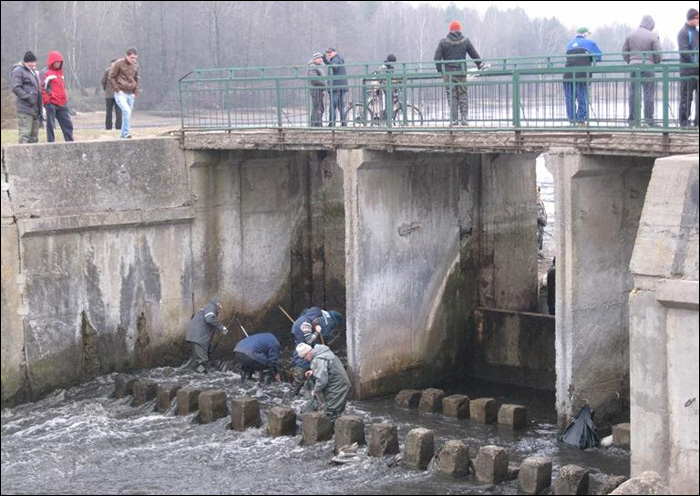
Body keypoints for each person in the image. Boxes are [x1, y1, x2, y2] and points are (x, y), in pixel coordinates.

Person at [433, 20, 485, 126]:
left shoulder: (443, 42)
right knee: (463, 95)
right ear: (459, 29)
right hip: (461, 73)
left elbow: (436, 58)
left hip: (448, 74)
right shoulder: (465, 41)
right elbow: (474, 54)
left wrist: (440, 70)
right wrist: (480, 65)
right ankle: (464, 119)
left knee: (452, 96)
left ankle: (454, 120)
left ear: (450, 30)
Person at [290, 307, 344, 395]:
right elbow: (324, 336)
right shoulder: (329, 322)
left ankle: (297, 390)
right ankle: (295, 390)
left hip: (300, 332)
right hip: (306, 338)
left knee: (301, 354)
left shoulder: (320, 312)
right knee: (304, 361)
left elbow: (305, 311)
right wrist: (318, 334)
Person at [622, 16, 663, 126]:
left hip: (633, 67)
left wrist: (631, 61)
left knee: (632, 93)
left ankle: (632, 120)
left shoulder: (630, 34)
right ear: (651, 25)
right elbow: (658, 54)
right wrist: (655, 62)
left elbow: (624, 52)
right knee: (648, 93)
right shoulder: (652, 36)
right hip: (648, 67)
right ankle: (648, 120)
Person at [296, 342, 351, 421]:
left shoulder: (318, 359)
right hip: (342, 383)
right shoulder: (324, 352)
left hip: (337, 386)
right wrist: (314, 372)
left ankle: (331, 431)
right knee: (337, 410)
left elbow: (322, 380)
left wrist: (315, 391)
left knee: (331, 412)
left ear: (308, 353)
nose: (305, 359)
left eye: (304, 357)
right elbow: (328, 368)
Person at [563, 27, 602, 125]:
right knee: (582, 97)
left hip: (567, 75)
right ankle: (581, 120)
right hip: (581, 75)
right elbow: (599, 56)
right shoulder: (589, 43)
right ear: (585, 35)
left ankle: (572, 120)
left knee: (569, 98)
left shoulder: (569, 44)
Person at [185, 296, 229, 373]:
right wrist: (222, 328)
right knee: (202, 361)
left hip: (195, 338)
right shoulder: (211, 307)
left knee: (199, 360)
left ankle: (195, 373)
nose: (221, 307)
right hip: (199, 339)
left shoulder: (206, 308)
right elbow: (209, 319)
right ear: (217, 303)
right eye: (221, 304)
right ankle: (201, 375)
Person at [10, 51, 43, 144]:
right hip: (25, 109)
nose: (33, 64)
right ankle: (21, 157)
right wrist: (28, 97)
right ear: (25, 62)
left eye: (34, 62)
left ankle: (32, 158)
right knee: (24, 136)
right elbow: (15, 87)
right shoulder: (18, 70)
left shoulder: (33, 71)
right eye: (31, 62)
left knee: (34, 138)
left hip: (35, 109)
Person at [41, 51, 74, 142]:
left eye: (60, 62)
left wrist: (65, 100)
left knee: (67, 124)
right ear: (52, 62)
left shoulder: (60, 73)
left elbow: (62, 87)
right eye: (56, 62)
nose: (58, 63)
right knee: (51, 125)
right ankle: (51, 143)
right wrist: (47, 101)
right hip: (51, 103)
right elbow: (43, 88)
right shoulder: (46, 73)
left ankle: (70, 142)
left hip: (62, 103)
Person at [109, 47, 140, 139]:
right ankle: (126, 133)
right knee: (126, 111)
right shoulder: (118, 63)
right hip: (121, 92)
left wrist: (135, 92)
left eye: (135, 58)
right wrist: (118, 90)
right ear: (127, 56)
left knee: (127, 114)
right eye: (131, 58)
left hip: (131, 93)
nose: (133, 60)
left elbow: (137, 78)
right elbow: (111, 77)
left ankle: (122, 136)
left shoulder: (136, 65)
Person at [678, 8, 699, 128]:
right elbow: (684, 51)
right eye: (697, 18)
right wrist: (695, 60)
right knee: (686, 97)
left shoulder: (697, 32)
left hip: (697, 70)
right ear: (691, 18)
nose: (698, 21)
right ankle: (684, 123)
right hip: (687, 70)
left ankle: (697, 123)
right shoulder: (683, 32)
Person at [323, 48, 348, 126]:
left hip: (335, 86)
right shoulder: (339, 59)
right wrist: (327, 62)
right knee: (341, 105)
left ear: (335, 52)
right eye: (328, 53)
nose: (329, 54)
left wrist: (327, 62)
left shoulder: (336, 59)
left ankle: (332, 123)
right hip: (341, 86)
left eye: (330, 52)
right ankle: (343, 123)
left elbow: (334, 67)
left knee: (333, 105)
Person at [101, 59, 122, 131]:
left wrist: (106, 89)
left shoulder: (107, 71)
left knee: (109, 112)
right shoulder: (120, 71)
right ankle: (119, 127)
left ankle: (108, 127)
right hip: (118, 94)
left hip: (109, 95)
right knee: (118, 111)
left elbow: (103, 81)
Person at [307, 52, 326, 127]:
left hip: (318, 90)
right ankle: (316, 125)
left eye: (321, 58)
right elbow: (314, 79)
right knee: (317, 108)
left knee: (318, 108)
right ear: (315, 59)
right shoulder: (312, 68)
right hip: (316, 90)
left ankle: (317, 124)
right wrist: (324, 84)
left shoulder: (316, 67)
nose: (321, 60)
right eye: (319, 58)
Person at [537, 186, 548, 257]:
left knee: (540, 236)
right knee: (538, 236)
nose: (538, 193)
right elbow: (538, 214)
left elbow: (543, 212)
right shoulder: (537, 201)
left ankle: (539, 250)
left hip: (541, 224)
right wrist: (543, 221)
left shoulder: (540, 201)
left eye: (538, 191)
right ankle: (538, 251)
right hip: (538, 223)